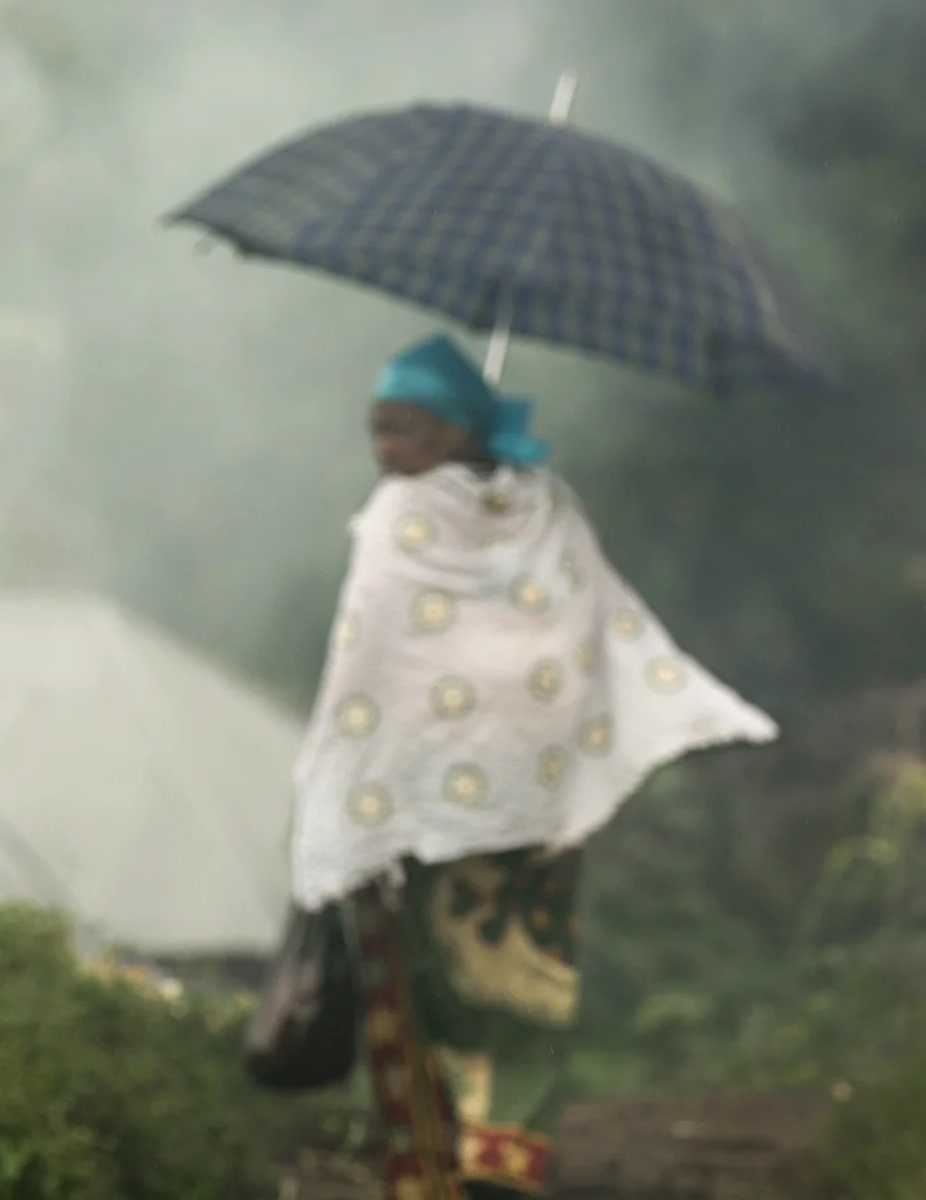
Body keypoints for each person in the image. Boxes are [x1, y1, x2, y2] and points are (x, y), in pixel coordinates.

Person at [289, 332, 778, 1199]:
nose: (385, 450)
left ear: (456, 428)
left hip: (471, 808)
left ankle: (454, 1170)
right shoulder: (524, 508)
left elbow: (385, 667)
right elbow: (387, 659)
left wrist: (352, 781)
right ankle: (496, 1159)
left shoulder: (440, 517)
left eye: (402, 429)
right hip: (497, 800)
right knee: (509, 985)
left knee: (465, 986)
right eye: (377, 430)